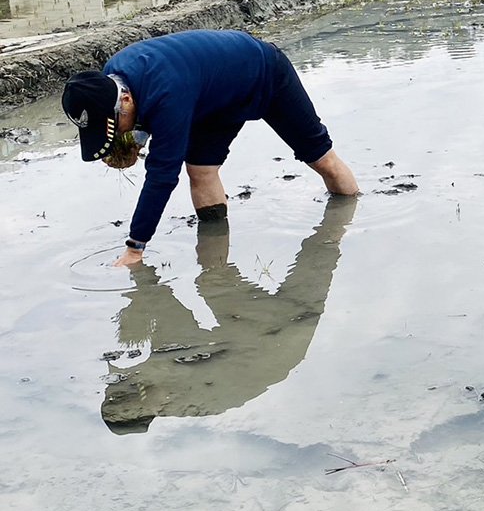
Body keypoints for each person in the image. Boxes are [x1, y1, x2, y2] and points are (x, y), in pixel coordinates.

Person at [62, 29, 359, 266]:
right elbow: (141, 115)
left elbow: (162, 176)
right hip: (213, 99)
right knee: (201, 171)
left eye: (114, 127)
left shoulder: (167, 95)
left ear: (124, 101)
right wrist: (134, 141)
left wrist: (135, 248)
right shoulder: (112, 79)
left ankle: (347, 222)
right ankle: (216, 265)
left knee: (321, 159)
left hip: (264, 73)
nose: (116, 133)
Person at [101, 195, 357, 433]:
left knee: (217, 279)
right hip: (281, 331)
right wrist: (139, 275)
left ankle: (342, 207)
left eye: (121, 381)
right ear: (147, 400)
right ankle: (343, 205)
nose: (128, 373)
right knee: (215, 279)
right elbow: (162, 302)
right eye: (127, 382)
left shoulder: (173, 379)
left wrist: (138, 276)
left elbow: (161, 301)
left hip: (282, 331)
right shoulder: (177, 379)